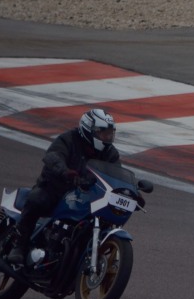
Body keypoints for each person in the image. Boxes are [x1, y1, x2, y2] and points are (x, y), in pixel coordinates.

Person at [7, 108, 121, 265]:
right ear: (89, 130)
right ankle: (19, 246)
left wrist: (128, 191)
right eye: (103, 133)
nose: (107, 137)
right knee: (37, 200)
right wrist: (65, 172)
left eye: (109, 133)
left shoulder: (110, 153)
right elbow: (53, 155)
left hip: (86, 195)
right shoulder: (69, 139)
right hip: (56, 188)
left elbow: (117, 173)